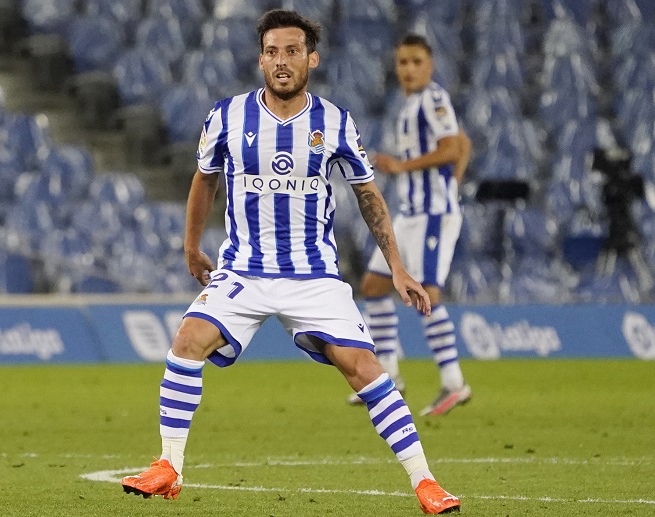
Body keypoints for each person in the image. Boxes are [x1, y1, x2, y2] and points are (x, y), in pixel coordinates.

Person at [121, 10, 461, 514]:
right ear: (261, 60)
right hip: (243, 269)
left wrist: (397, 266)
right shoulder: (227, 116)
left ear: (311, 59)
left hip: (313, 276)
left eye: (293, 51)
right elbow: (204, 179)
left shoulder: (336, 122)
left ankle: (426, 482)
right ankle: (169, 465)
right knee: (187, 340)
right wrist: (191, 246)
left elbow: (368, 195)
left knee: (363, 367)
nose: (282, 61)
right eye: (272, 52)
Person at [346, 34, 472, 417]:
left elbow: (452, 148)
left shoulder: (433, 98)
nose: (409, 69)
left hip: (431, 214)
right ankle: (389, 372)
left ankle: (454, 383)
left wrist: (403, 168)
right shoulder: (412, 104)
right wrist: (453, 181)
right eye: (402, 62)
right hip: (410, 213)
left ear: (430, 65)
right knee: (373, 285)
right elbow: (464, 141)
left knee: (427, 294)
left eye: (417, 61)